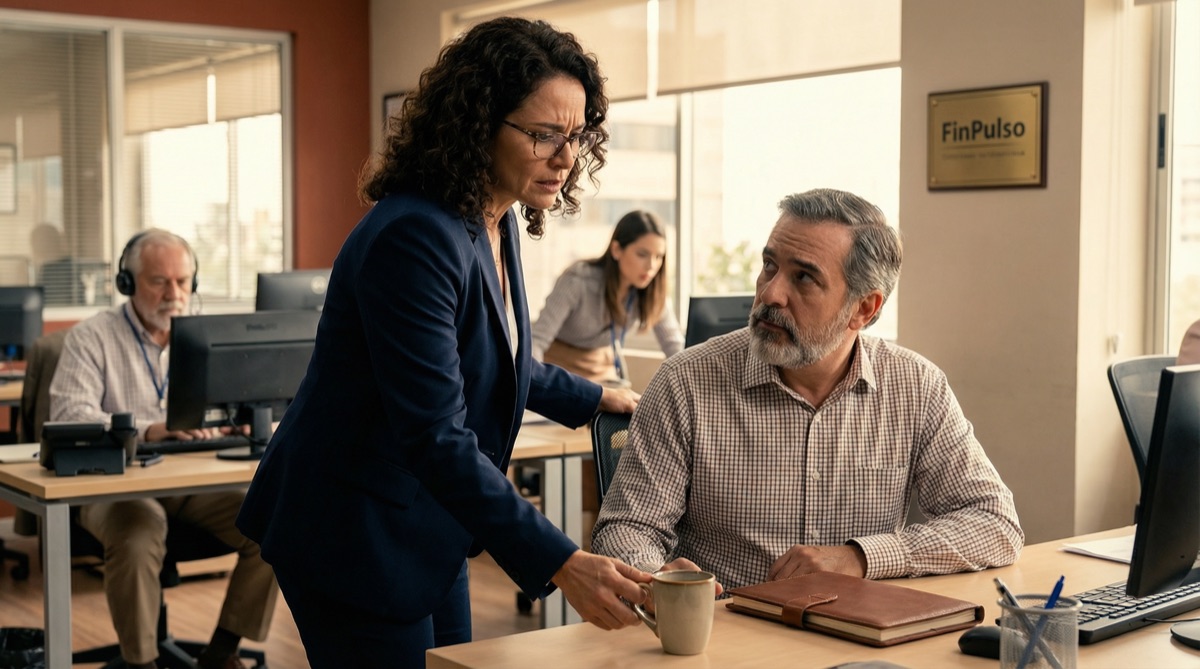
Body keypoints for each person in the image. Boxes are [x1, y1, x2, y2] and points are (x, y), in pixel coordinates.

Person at [235, 17, 650, 668]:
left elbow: (494, 358)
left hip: (427, 519)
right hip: (355, 528)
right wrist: (563, 560)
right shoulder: (416, 236)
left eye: (575, 137)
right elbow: (435, 432)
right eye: (544, 134)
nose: (566, 158)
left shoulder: (495, 218)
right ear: (478, 123)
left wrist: (596, 397)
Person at [592, 188, 1024, 592]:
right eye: (769, 266)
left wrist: (860, 557)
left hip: (858, 630)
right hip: (728, 631)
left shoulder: (917, 387)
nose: (770, 293)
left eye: (803, 278)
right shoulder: (685, 382)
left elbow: (995, 523)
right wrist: (655, 578)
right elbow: (626, 529)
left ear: (864, 308)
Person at [49, 228, 277, 669]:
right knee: (139, 530)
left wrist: (239, 415)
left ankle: (222, 652)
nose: (174, 293)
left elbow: (240, 402)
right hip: (112, 484)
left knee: (273, 520)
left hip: (191, 480)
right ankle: (141, 663)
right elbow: (70, 416)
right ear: (127, 283)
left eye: (183, 281)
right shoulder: (91, 338)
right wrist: (149, 431)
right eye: (159, 281)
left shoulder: (209, 335)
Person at [531, 209, 684, 386]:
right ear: (616, 250)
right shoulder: (578, 280)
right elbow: (537, 341)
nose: (651, 266)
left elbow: (675, 346)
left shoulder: (652, 292)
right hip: (560, 371)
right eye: (642, 254)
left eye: (659, 257)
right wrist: (537, 384)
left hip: (602, 373)